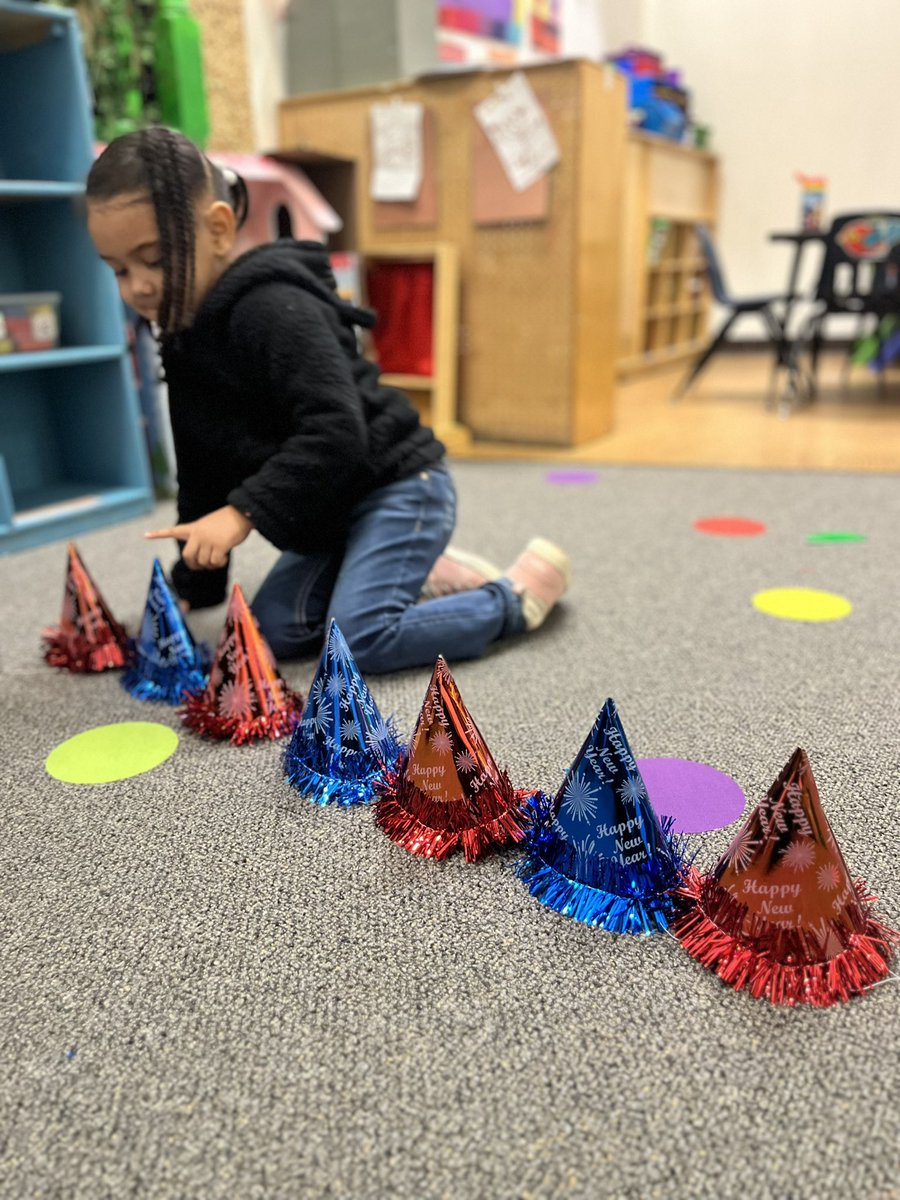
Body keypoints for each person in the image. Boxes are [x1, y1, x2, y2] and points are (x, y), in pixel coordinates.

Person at [85, 126, 571, 673]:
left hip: (398, 488)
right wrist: (195, 584)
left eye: (154, 259)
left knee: (359, 642)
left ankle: (510, 599)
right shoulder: (181, 339)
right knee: (270, 633)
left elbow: (337, 431)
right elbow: (201, 464)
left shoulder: (271, 308)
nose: (138, 287)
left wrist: (243, 512)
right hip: (329, 515)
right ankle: (413, 572)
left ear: (219, 228)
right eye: (119, 270)